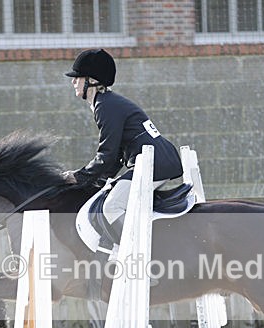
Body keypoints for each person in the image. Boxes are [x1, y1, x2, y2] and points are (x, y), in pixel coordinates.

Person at [65, 48, 184, 234]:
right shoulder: (108, 102)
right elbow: (117, 154)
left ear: (93, 81)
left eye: (78, 77)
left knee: (111, 207)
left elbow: (107, 154)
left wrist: (80, 176)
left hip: (154, 165)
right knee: (109, 196)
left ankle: (133, 253)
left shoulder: (105, 106)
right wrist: (101, 180)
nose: (73, 81)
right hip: (158, 161)